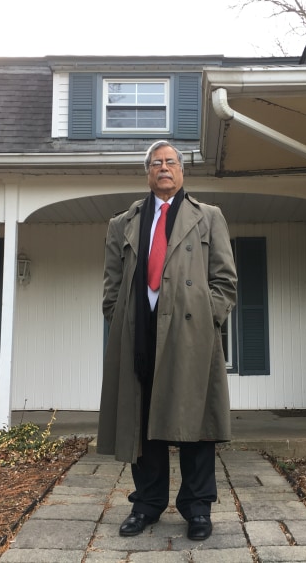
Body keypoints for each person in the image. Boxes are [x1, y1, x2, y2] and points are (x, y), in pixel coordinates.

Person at [97, 140, 238, 541]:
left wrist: (209, 317)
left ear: (181, 171)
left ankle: (197, 510)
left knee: (196, 423)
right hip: (138, 334)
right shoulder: (122, 222)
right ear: (147, 172)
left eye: (171, 162)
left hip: (191, 334)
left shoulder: (209, 216)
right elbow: (112, 284)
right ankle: (147, 506)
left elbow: (225, 280)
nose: (164, 167)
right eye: (156, 163)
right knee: (142, 423)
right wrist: (119, 317)